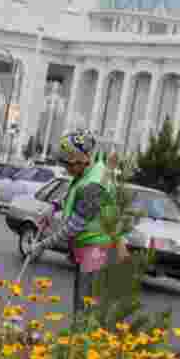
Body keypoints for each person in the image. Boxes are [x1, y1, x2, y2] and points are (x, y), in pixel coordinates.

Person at [27, 130, 119, 322]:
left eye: (66, 164)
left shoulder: (96, 183)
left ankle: (80, 347)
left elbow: (73, 227)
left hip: (96, 254)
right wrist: (54, 207)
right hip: (88, 250)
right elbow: (75, 193)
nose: (65, 169)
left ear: (80, 160)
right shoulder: (90, 171)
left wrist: (41, 245)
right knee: (82, 306)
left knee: (84, 311)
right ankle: (77, 345)